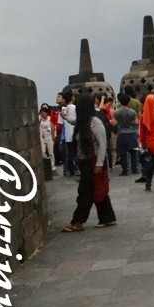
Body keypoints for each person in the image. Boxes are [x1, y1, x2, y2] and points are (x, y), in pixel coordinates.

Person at [61, 93, 116, 232]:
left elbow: (103, 144)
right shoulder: (84, 121)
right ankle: (107, 217)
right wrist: (66, 119)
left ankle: (78, 221)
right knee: (97, 190)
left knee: (85, 192)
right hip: (86, 161)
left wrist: (99, 164)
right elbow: (75, 122)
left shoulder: (95, 122)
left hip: (94, 161)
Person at [114, 93, 140, 176]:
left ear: (120, 102)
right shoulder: (132, 112)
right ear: (128, 102)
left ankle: (125, 170)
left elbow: (114, 123)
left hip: (121, 134)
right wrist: (131, 123)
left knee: (123, 153)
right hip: (131, 133)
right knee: (133, 152)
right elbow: (136, 123)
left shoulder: (116, 112)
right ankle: (134, 169)